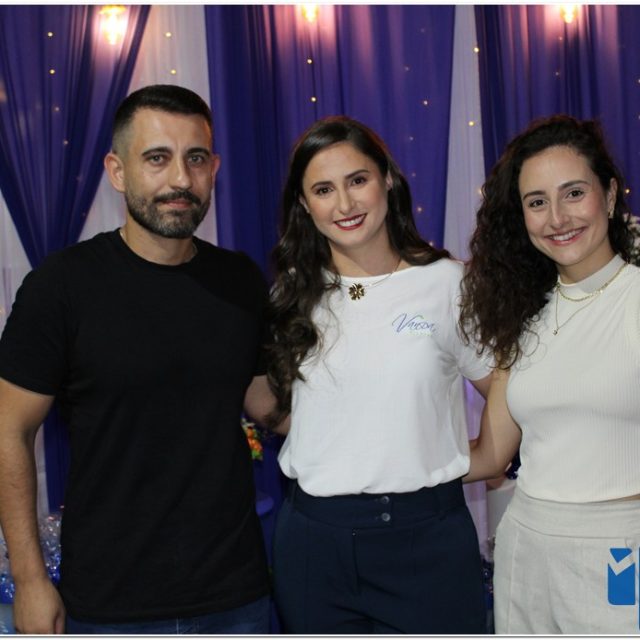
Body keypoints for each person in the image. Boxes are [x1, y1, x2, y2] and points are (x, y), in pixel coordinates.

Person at [0, 84, 277, 634]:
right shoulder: (61, 286)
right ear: (117, 171)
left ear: (214, 168)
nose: (181, 179)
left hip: (235, 597)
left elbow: (266, 403)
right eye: (157, 158)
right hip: (110, 605)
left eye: (195, 158)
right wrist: (30, 579)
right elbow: (9, 430)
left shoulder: (240, 279)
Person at [265, 115, 493, 634]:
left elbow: (500, 379)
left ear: (387, 179)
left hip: (427, 541)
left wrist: (489, 455)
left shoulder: (447, 283)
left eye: (357, 180)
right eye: (323, 190)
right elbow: (287, 403)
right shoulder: (291, 293)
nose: (344, 204)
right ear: (304, 204)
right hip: (313, 544)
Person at [460, 114, 640, 634]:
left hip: (619, 547)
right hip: (526, 542)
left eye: (574, 193)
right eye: (537, 202)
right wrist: (381, 458)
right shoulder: (522, 314)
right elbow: (492, 454)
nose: (557, 218)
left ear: (609, 195)